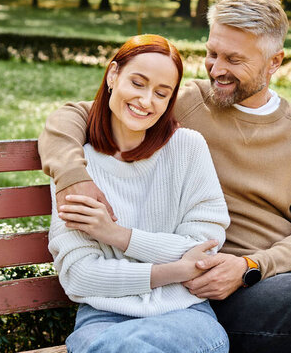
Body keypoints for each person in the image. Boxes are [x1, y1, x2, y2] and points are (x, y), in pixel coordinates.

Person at [40, 0, 291, 352]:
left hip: (262, 285)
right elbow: (75, 116)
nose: (216, 70)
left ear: (274, 61)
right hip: (194, 290)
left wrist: (250, 268)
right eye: (212, 53)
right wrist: (75, 174)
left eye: (234, 60)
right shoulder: (181, 101)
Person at [46, 34, 230, 353]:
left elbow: (205, 249)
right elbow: (79, 275)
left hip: (184, 314)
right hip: (103, 318)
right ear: (113, 75)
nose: (146, 101)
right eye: (138, 83)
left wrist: (116, 235)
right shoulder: (77, 168)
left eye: (161, 93)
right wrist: (173, 270)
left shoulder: (188, 149)